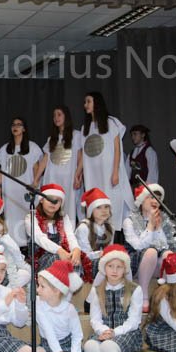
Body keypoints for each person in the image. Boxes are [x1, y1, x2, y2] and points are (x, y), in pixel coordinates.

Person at [83, 245, 144, 352]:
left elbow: (134, 321)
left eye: (119, 267)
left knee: (108, 346)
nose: (114, 270)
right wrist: (104, 331)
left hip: (128, 333)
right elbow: (95, 319)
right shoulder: (97, 290)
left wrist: (114, 333)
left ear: (125, 269)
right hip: (105, 332)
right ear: (104, 268)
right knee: (89, 345)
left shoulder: (134, 289)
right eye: (110, 266)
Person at [36, 260, 91, 352]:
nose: (38, 289)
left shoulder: (69, 309)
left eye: (42, 286)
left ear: (56, 290)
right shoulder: (39, 306)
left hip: (68, 343)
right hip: (49, 345)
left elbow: (77, 334)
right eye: (38, 285)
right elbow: (49, 332)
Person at [78, 92, 134, 232]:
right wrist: (77, 173)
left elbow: (117, 149)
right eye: (85, 102)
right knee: (95, 203)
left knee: (110, 202)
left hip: (108, 173)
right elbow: (84, 154)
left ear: (96, 103)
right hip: (92, 174)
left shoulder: (111, 122)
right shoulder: (85, 128)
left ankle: (111, 237)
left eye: (88, 101)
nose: (85, 105)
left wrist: (115, 172)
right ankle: (97, 236)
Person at [122, 183, 176, 313]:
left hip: (156, 265)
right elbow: (137, 246)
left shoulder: (165, 220)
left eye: (158, 198)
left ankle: (166, 294)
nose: (155, 201)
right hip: (137, 263)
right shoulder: (129, 221)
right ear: (142, 200)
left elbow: (167, 245)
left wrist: (158, 228)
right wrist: (150, 227)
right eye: (151, 197)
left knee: (168, 255)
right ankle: (144, 295)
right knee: (151, 252)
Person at [24, 183, 92, 280]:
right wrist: (59, 250)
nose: (53, 203)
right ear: (41, 200)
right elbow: (40, 238)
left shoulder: (64, 218)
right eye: (50, 199)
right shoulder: (31, 217)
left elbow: (70, 236)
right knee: (57, 259)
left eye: (58, 200)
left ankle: (74, 286)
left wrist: (76, 249)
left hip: (64, 254)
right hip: (40, 259)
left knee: (76, 260)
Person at [0, 116, 43, 247]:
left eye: (18, 124)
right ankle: (14, 247)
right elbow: (1, 170)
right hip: (10, 192)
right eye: (13, 125)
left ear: (24, 129)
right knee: (11, 219)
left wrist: (35, 184)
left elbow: (36, 168)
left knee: (27, 219)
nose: (15, 127)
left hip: (26, 191)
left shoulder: (32, 147)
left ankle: (29, 247)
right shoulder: (5, 149)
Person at [35, 106, 82, 223]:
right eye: (54, 115)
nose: (56, 118)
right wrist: (36, 179)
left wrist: (78, 175)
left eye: (59, 114)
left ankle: (68, 233)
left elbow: (80, 158)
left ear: (66, 116)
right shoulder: (52, 139)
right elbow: (45, 159)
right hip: (52, 179)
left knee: (68, 210)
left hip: (69, 180)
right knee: (51, 209)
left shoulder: (76, 135)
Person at [75, 188, 114, 277]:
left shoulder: (110, 227)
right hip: (86, 265)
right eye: (98, 207)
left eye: (106, 207)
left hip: (104, 260)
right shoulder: (84, 227)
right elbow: (84, 255)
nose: (104, 211)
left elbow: (110, 247)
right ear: (91, 210)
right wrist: (101, 254)